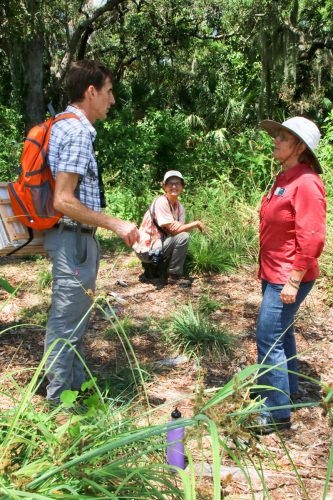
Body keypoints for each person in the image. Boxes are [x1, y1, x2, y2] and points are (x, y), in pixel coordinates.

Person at [44, 60, 139, 405]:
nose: (112, 100)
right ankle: (57, 409)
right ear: (91, 92)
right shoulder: (78, 131)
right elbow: (63, 200)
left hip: (72, 238)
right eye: (109, 92)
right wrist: (117, 223)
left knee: (74, 319)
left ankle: (77, 391)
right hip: (73, 240)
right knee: (67, 322)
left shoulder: (62, 125)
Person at [253, 116, 326, 434]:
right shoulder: (285, 177)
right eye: (278, 135)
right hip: (273, 270)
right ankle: (289, 388)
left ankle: (276, 411)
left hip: (289, 273)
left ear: (299, 146)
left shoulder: (306, 182)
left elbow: (312, 237)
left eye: (283, 137)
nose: (276, 140)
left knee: (268, 338)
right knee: (281, 333)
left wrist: (294, 279)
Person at [133, 170, 206, 285]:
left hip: (159, 245)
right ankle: (174, 275)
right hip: (147, 249)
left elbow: (178, 229)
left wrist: (177, 228)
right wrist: (195, 224)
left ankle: (156, 270)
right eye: (170, 183)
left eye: (177, 183)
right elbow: (175, 230)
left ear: (182, 187)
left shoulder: (179, 207)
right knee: (183, 237)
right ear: (164, 187)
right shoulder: (161, 202)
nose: (174, 186)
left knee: (181, 236)